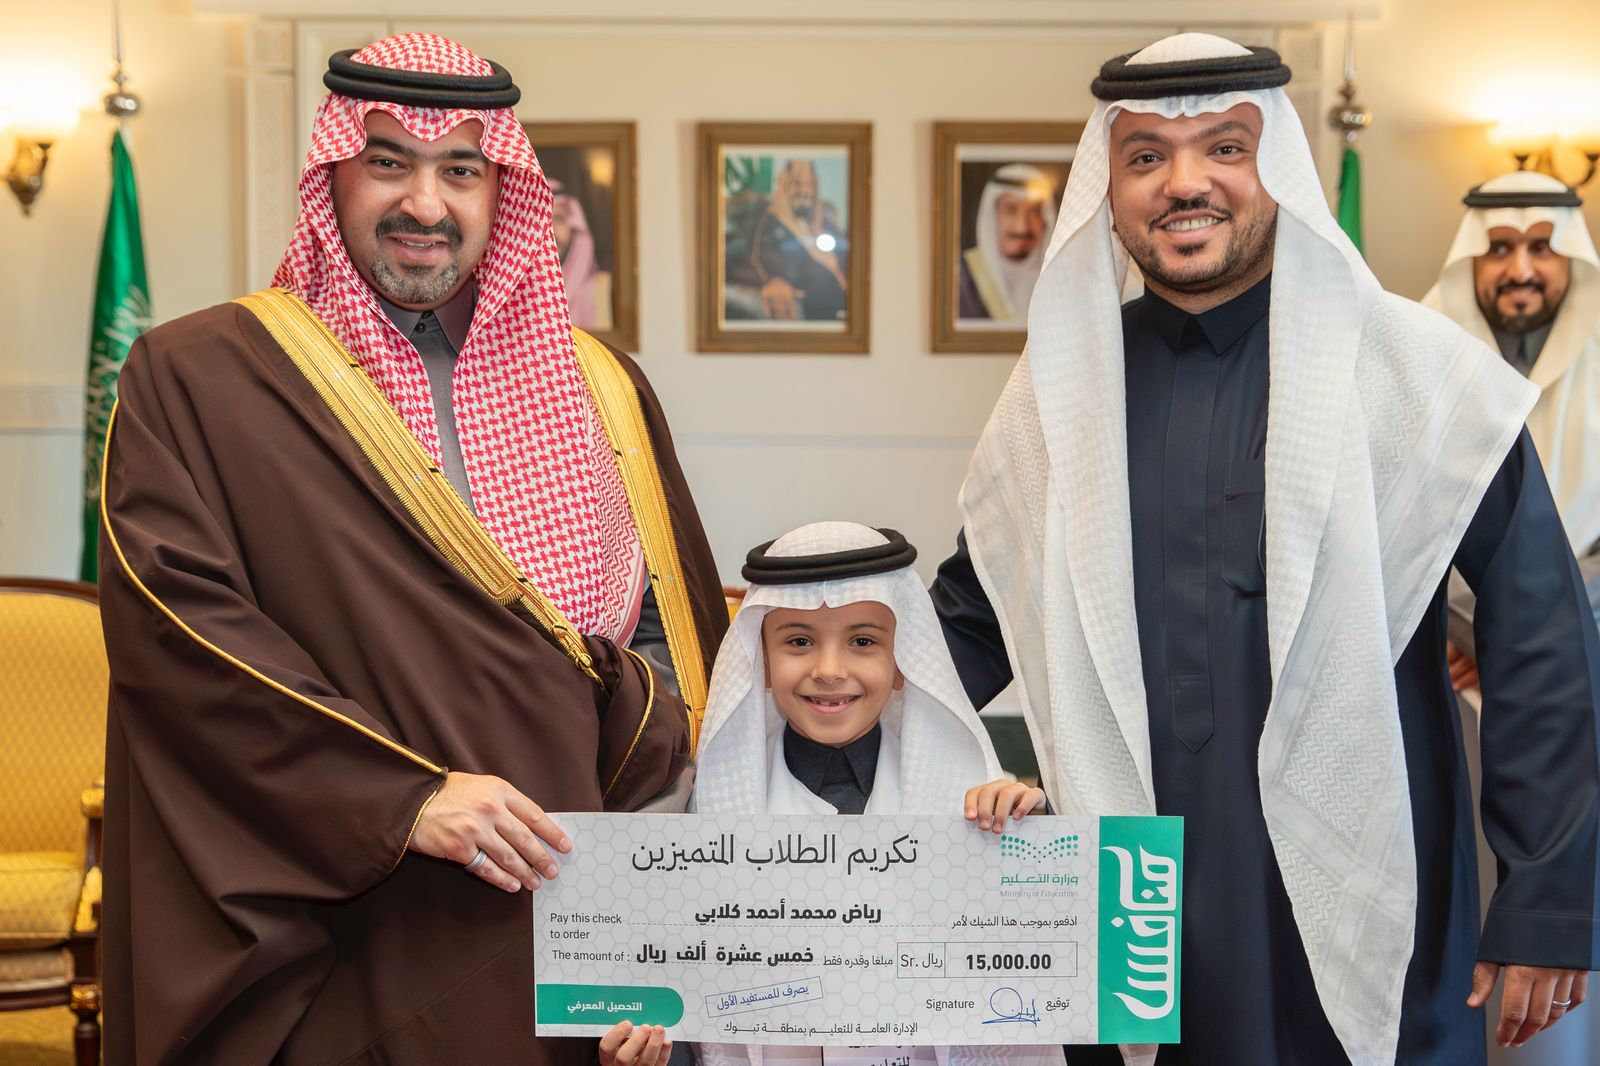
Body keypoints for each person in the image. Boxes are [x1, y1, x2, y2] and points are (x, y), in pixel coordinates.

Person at [930, 32, 1600, 1066]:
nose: (1183, 183)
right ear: (1108, 188)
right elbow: (963, 627)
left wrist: (1547, 896)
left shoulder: (1416, 374)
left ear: (1276, 166)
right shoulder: (1057, 397)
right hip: (1130, 907)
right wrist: (790, 703)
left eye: (1225, 148)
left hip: (1362, 889)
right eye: (1145, 156)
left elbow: (1539, 639)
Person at [97, 33, 726, 1066]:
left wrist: (661, 903)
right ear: (333, 174)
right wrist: (402, 799)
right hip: (345, 899)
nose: (425, 203)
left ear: (503, 188)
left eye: (461, 171)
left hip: (570, 890)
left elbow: (669, 648)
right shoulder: (199, 376)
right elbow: (182, 637)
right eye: (388, 161)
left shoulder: (603, 385)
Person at [600, 522, 1062, 1066]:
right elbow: (688, 1010)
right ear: (762, 662)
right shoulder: (698, 818)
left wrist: (1038, 844)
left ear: (902, 661)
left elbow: (1040, 972)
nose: (829, 670)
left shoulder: (973, 802)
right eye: (799, 642)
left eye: (863, 642)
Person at [1422, 172, 1600, 689]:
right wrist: (1467, 634)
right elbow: (1400, 519)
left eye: (1542, 248)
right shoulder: (1419, 352)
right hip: (1449, 657)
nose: (1520, 270)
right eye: (1499, 248)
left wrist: (1527, 640)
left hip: (1584, 646)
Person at [748, 160, 849, 321]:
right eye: (796, 183)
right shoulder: (771, 223)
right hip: (817, 313)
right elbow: (760, 258)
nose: (805, 191)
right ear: (783, 185)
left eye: (810, 184)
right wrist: (775, 282)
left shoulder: (826, 222)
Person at [958, 163, 1057, 324]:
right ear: (993, 216)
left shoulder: (1063, 280)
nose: (1022, 227)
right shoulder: (961, 280)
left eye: (1034, 211)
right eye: (1010, 210)